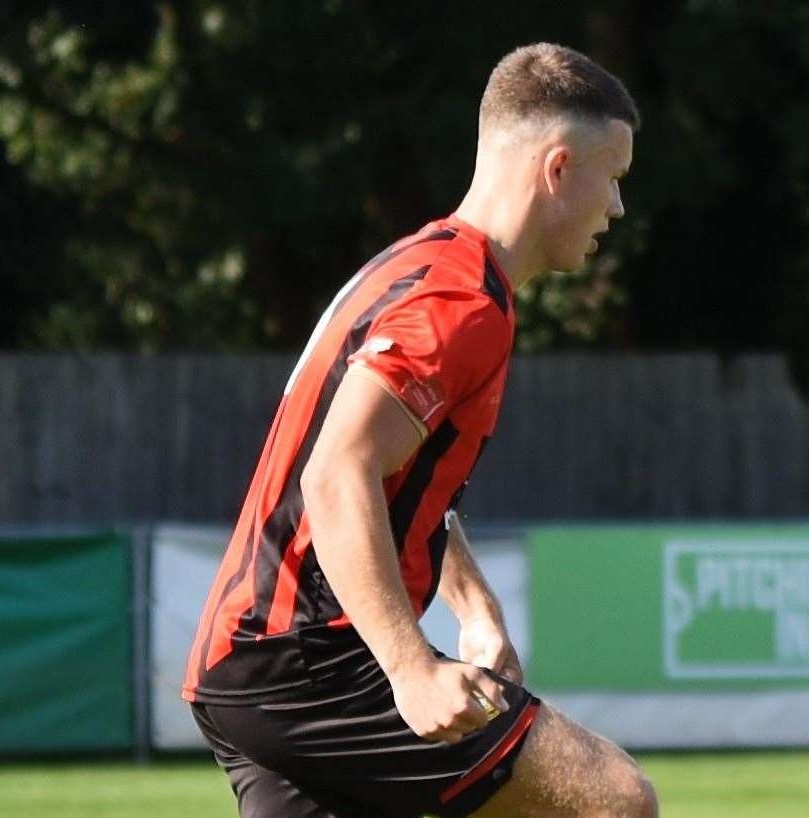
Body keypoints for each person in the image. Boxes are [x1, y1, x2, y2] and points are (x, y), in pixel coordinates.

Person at [183, 42, 657, 818]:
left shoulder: (421, 266)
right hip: (311, 660)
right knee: (610, 801)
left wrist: (473, 607)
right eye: (612, 178)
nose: (616, 208)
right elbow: (336, 475)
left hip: (245, 667)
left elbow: (393, 471)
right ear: (558, 168)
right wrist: (410, 668)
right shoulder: (460, 305)